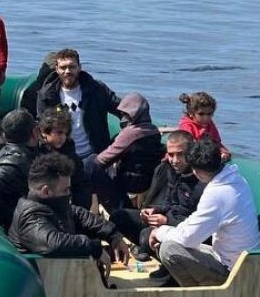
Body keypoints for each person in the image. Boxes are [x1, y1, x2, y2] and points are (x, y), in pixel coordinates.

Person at [149, 139, 260, 287]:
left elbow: (188, 238)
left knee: (168, 249)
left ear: (196, 171)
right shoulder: (236, 179)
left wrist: (159, 232)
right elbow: (193, 225)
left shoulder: (216, 193)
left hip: (234, 272)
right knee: (176, 240)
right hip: (244, 262)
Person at [35, 48, 120, 206]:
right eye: (63, 67)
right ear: (56, 69)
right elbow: (42, 127)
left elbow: (121, 109)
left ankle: (121, 218)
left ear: (79, 68)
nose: (67, 71)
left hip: (91, 152)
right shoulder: (47, 95)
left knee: (100, 190)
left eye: (72, 67)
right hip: (62, 153)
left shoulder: (96, 89)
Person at [9, 153, 130, 263]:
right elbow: (54, 244)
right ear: (46, 191)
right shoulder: (29, 217)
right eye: (65, 190)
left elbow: (79, 214)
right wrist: (94, 247)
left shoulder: (52, 204)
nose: (69, 194)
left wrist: (113, 235)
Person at [109, 130, 203, 260]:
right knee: (119, 217)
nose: (175, 161)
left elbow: (200, 222)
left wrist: (168, 221)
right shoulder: (171, 170)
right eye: (171, 155)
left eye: (180, 154)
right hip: (167, 221)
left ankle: (168, 264)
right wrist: (155, 210)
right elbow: (169, 202)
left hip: (186, 232)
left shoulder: (200, 180)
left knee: (145, 237)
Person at [94, 93, 164, 203]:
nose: (123, 118)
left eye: (125, 114)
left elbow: (102, 160)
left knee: (91, 165)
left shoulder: (130, 134)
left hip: (129, 183)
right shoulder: (154, 131)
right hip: (147, 181)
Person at [37, 107, 91, 209]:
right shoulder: (36, 153)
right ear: (44, 132)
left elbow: (81, 186)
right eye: (59, 133)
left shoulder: (70, 155)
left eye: (66, 134)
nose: (63, 137)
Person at [178, 91, 231, 161]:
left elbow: (216, 141)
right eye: (201, 114)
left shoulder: (209, 123)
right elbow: (189, 148)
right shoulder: (186, 126)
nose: (206, 118)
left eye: (209, 114)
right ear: (191, 113)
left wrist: (224, 152)